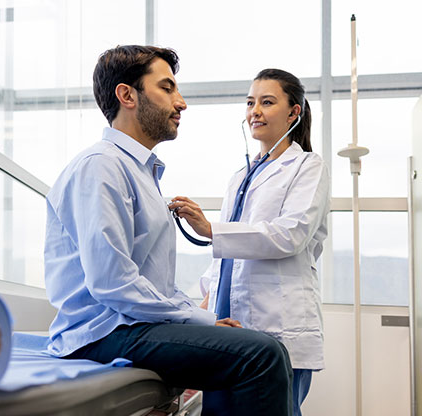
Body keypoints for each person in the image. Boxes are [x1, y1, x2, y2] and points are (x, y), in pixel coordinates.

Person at [43, 45, 293, 416]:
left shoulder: (141, 173)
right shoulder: (101, 167)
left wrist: (200, 317)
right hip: (102, 332)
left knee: (264, 348)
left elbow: (153, 283)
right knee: (261, 355)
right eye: (167, 88)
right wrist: (199, 319)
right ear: (127, 95)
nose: (181, 102)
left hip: (129, 324)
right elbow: (113, 283)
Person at [169, 68, 330, 416]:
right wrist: (199, 318)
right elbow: (225, 262)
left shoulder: (307, 166)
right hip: (229, 327)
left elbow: (291, 235)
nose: (255, 110)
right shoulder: (239, 177)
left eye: (267, 102)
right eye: (250, 102)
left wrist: (211, 229)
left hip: (279, 324)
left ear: (293, 112)